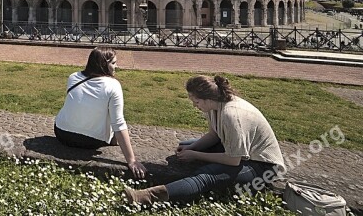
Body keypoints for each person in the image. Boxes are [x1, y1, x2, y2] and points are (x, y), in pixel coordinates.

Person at [125, 75, 285, 205]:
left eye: (196, 102)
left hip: (263, 167)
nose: (195, 106)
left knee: (205, 176)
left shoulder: (231, 115)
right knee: (185, 146)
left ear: (207, 99)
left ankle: (145, 197)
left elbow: (233, 160)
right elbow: (213, 135)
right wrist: (192, 148)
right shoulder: (215, 106)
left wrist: (196, 154)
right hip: (242, 153)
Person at [54, 46, 147, 179]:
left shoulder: (73, 77)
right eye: (113, 63)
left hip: (62, 133)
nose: (117, 66)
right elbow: (118, 124)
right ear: (104, 64)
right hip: (91, 141)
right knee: (112, 115)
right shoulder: (113, 86)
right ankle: (113, 141)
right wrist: (131, 160)